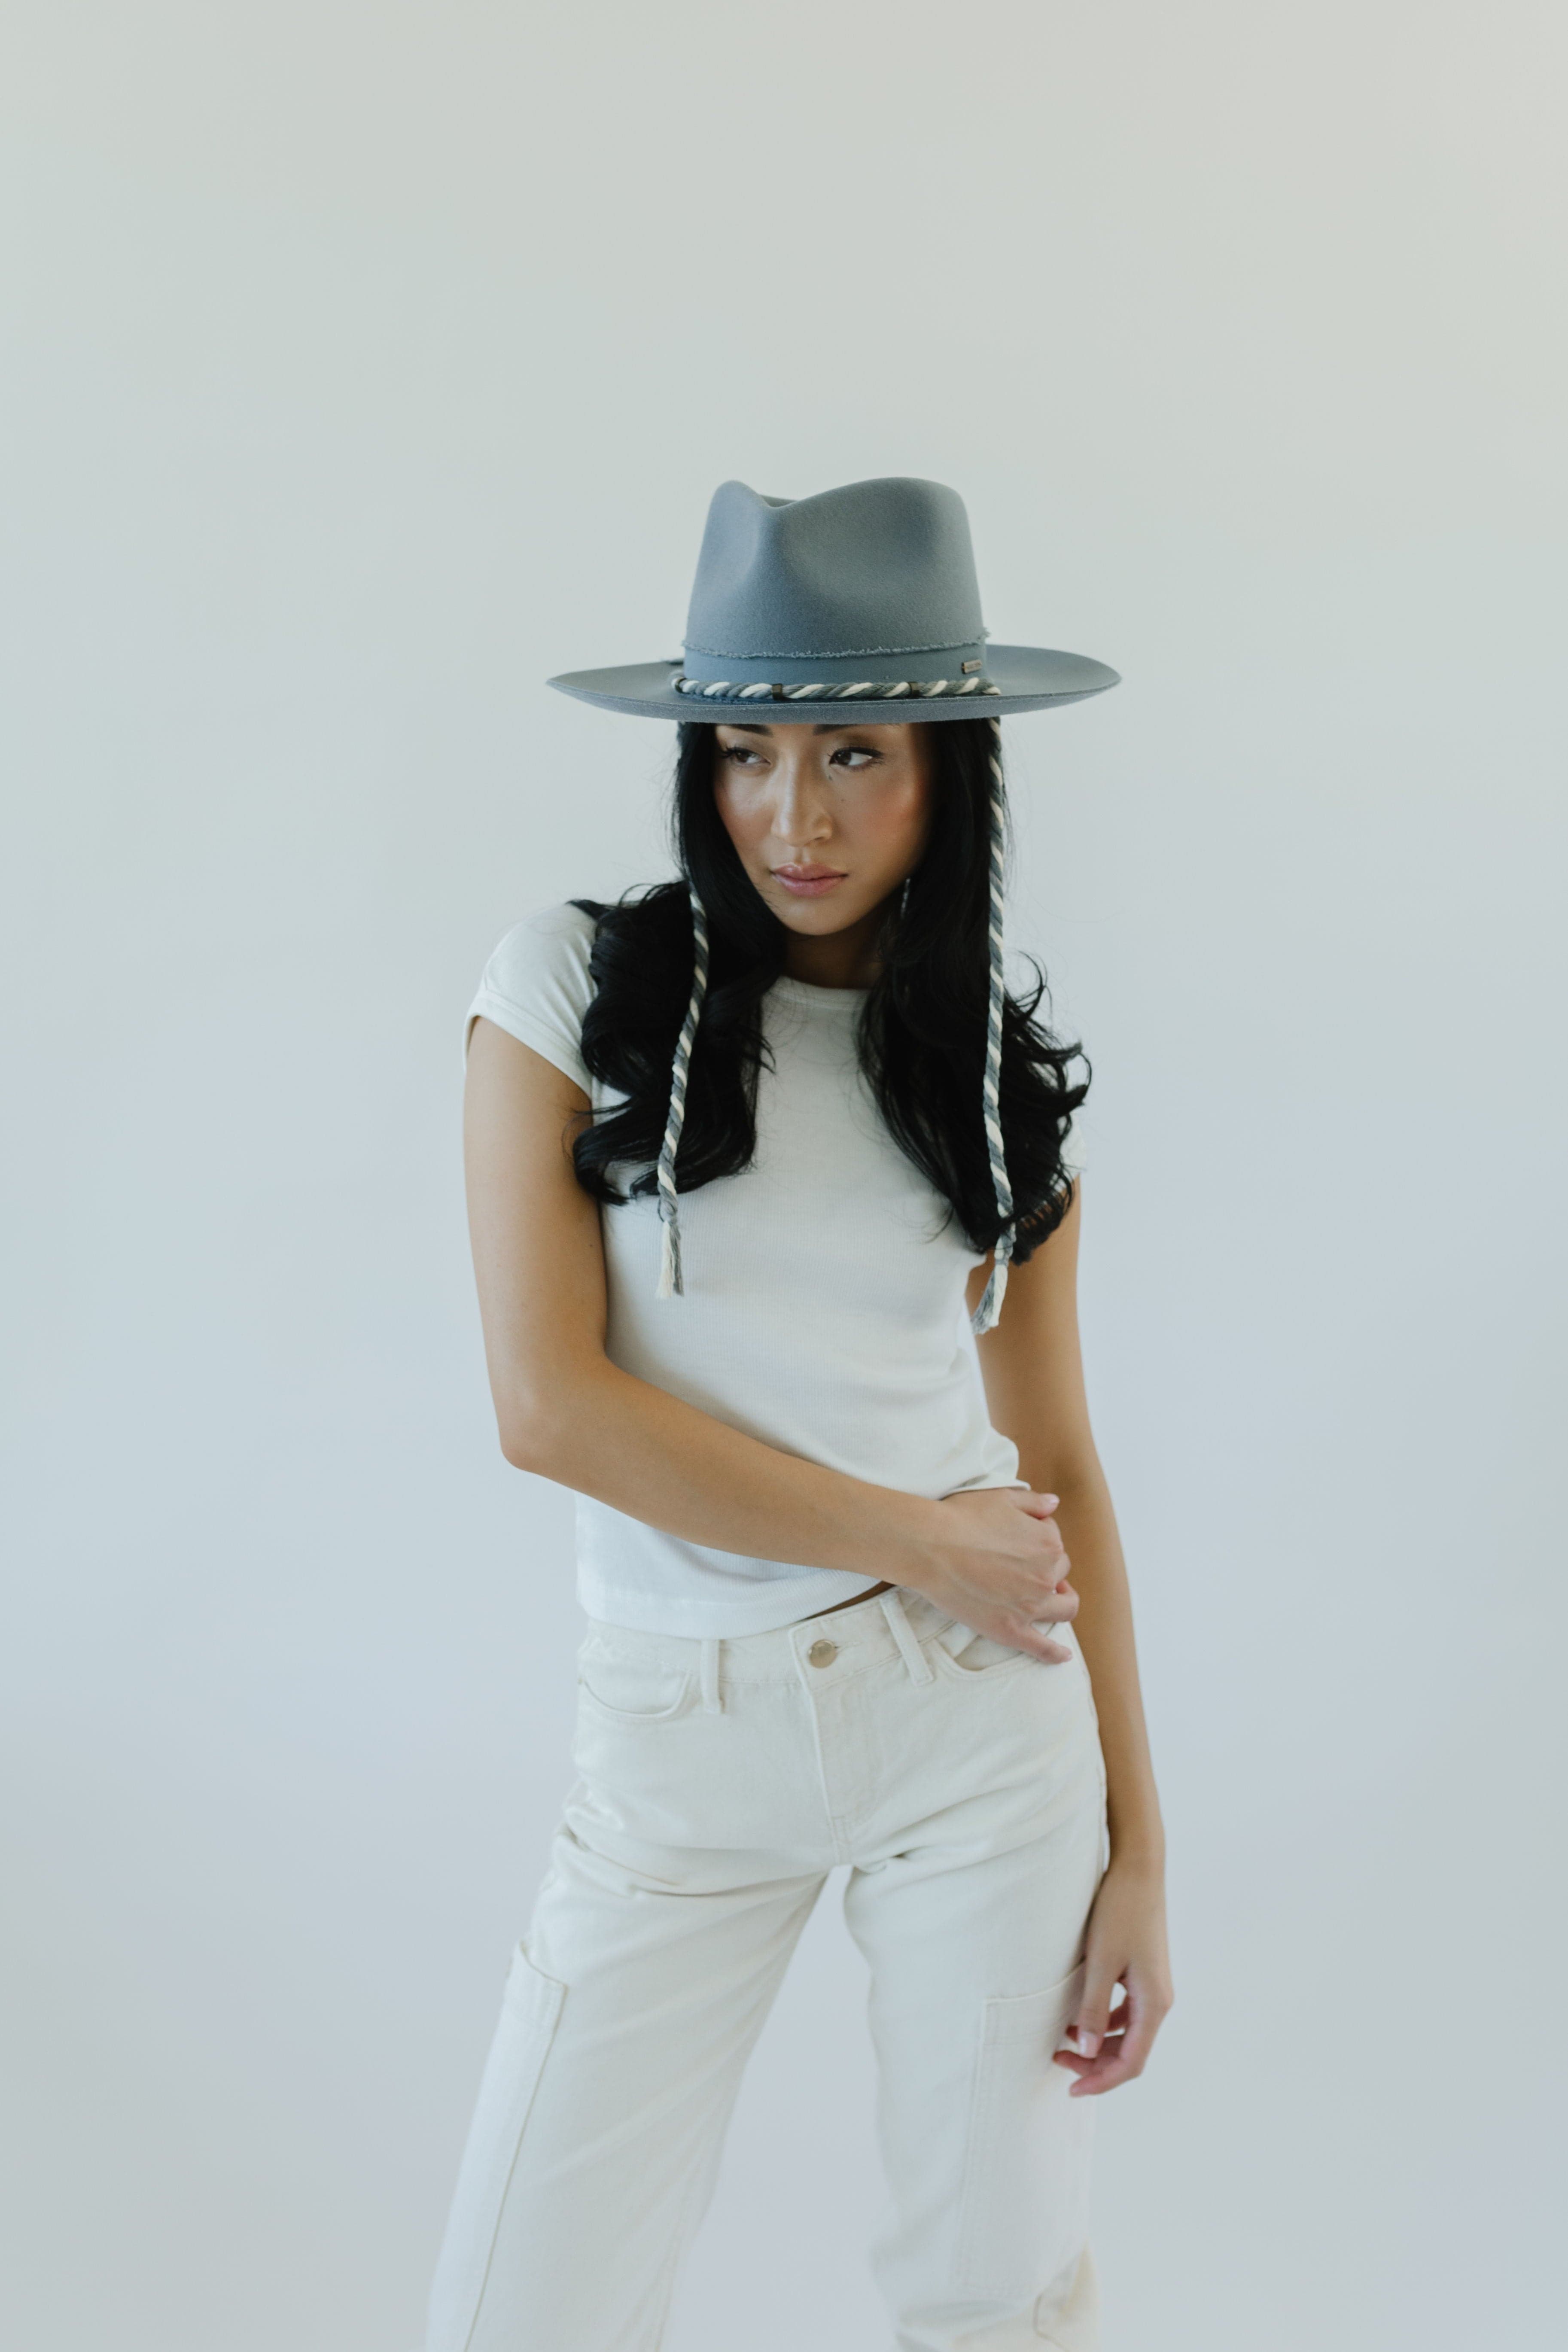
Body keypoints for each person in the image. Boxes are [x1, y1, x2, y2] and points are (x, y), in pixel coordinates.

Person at [424, 476, 1172, 2352]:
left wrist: (1142, 1852)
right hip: (676, 1746)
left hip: (977, 1737)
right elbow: (548, 1407)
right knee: (522, 2307)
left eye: (854, 749)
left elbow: (1062, 1466)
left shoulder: (990, 1088)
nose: (794, 813)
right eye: (746, 749)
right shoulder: (568, 991)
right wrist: (918, 1533)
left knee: (989, 2302)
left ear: (951, 765)